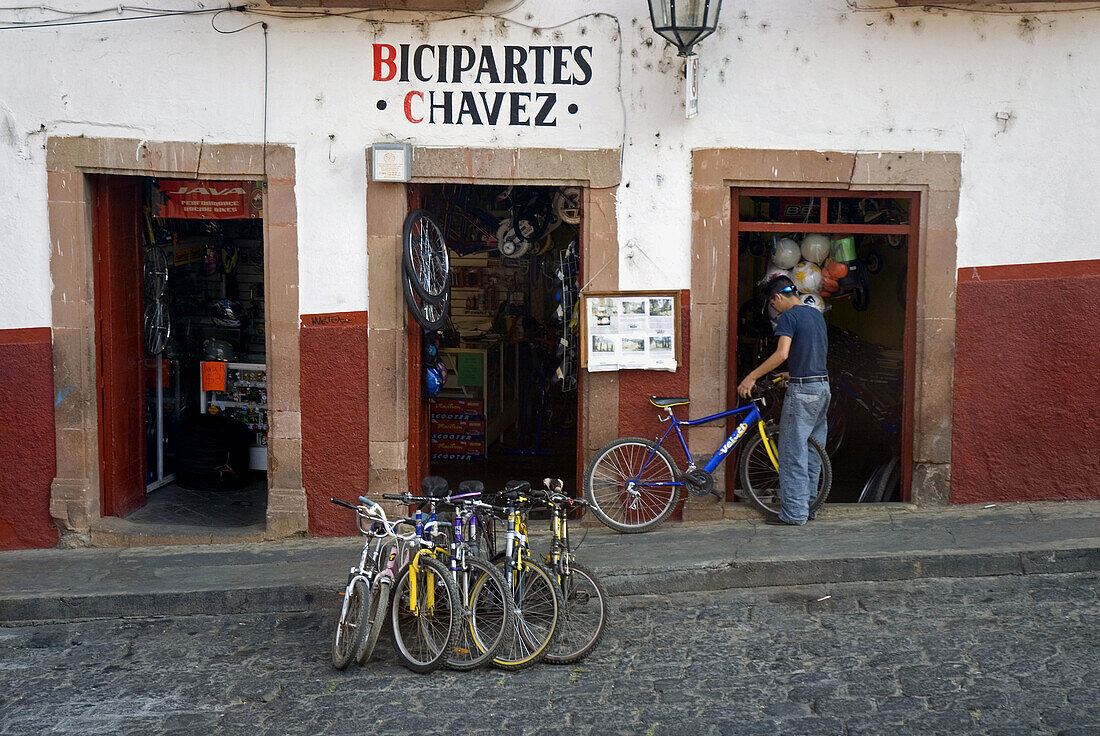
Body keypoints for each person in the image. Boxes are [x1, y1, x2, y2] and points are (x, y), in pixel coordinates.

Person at [737, 275, 829, 526]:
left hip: (802, 393)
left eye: (772, 304)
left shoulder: (788, 317)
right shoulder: (816, 315)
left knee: (792, 452)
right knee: (813, 451)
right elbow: (815, 353)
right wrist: (794, 373)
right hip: (822, 388)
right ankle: (809, 506)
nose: (774, 309)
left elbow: (781, 353)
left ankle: (794, 513)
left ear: (777, 297)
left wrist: (752, 377)